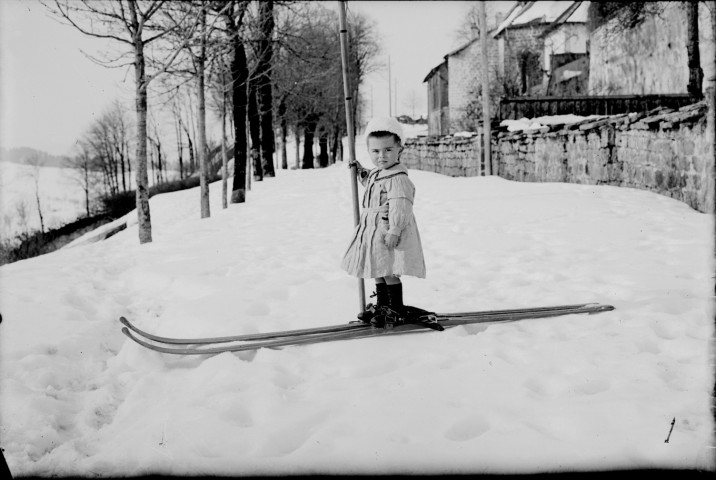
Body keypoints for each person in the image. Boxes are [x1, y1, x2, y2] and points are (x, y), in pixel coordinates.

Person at [341, 116, 426, 327]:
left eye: (388, 150)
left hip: (387, 229)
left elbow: (401, 206)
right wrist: (360, 170)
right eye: (376, 151)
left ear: (400, 150)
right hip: (372, 230)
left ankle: (395, 309)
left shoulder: (397, 178)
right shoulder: (378, 173)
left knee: (388, 271)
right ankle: (382, 305)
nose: (382, 156)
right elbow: (369, 183)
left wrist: (395, 229)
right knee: (377, 269)